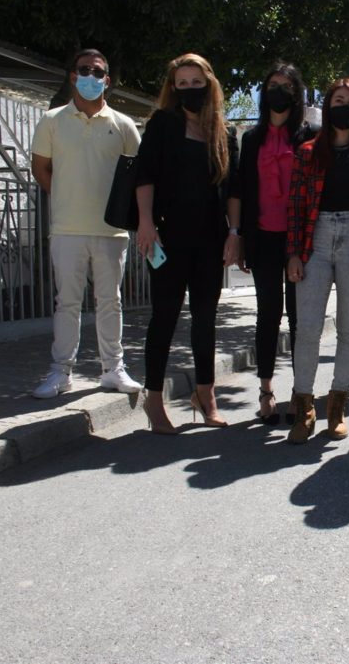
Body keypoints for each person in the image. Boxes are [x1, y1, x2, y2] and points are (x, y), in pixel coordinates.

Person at [29, 49, 143, 399]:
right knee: (68, 303)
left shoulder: (123, 125)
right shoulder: (51, 120)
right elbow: (40, 168)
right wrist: (64, 195)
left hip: (111, 231)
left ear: (107, 79)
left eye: (98, 71)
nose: (91, 76)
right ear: (73, 76)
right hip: (66, 229)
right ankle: (60, 373)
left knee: (111, 301)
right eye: (84, 70)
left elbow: (138, 175)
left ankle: (113, 370)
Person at [135, 53, 236, 434]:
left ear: (209, 84)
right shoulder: (163, 124)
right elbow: (144, 175)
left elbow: (232, 191)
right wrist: (145, 223)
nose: (190, 89)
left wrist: (234, 233)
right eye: (183, 83)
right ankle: (155, 399)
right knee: (164, 317)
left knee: (206, 320)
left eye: (197, 82)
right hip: (167, 236)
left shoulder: (222, 133)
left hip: (210, 239)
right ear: (173, 89)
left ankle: (205, 396)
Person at [286, 78, 349, 444]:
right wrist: (294, 254)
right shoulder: (308, 151)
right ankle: (303, 407)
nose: (343, 106)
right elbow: (296, 207)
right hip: (315, 240)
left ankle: (337, 405)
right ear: (328, 107)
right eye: (337, 100)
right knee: (307, 329)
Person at [227, 63, 316, 424]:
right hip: (262, 237)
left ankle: (300, 391)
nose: (278, 91)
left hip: (299, 242)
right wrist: (237, 237)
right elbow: (238, 190)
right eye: (272, 85)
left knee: (300, 319)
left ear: (296, 94)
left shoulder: (310, 136)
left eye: (285, 86)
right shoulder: (251, 138)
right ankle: (265, 391)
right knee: (268, 316)